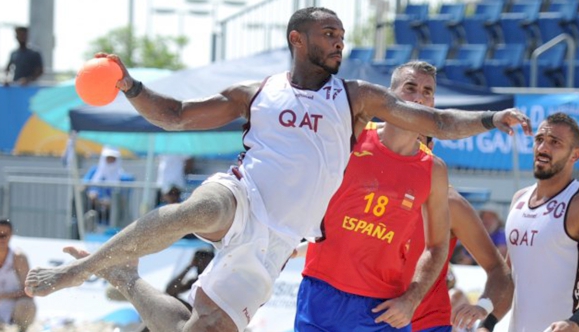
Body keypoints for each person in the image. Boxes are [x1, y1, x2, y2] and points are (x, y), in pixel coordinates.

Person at [24, 7, 531, 332]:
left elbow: (438, 121)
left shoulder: (357, 98)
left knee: (198, 328)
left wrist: (490, 118)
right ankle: (79, 270)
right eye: (328, 33)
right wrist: (130, 86)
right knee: (197, 208)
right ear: (297, 38)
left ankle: (125, 277)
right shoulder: (257, 91)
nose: (339, 42)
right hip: (243, 195)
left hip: (278, 238)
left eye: (342, 35)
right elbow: (175, 116)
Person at [294, 61, 449, 331]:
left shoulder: (434, 169)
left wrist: (412, 299)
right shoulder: (349, 139)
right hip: (322, 293)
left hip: (383, 308)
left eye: (427, 91)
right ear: (388, 95)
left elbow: (437, 247)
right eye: (410, 87)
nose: (419, 97)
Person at [494, 112, 579, 332]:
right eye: (539, 140)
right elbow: (510, 279)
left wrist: (577, 322)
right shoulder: (519, 200)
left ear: (575, 155)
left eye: (555, 142)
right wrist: (487, 321)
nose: (543, 148)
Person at [404, 135, 512, 332]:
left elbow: (499, 269)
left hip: (427, 325)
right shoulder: (367, 188)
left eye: (415, 139)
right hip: (368, 317)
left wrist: (483, 308)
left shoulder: (451, 203)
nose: (405, 144)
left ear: (430, 146)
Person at [82, 146, 135, 227]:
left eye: (113, 158)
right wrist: (91, 196)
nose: (110, 160)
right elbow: (82, 186)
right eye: (108, 158)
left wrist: (111, 202)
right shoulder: (94, 171)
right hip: (94, 206)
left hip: (112, 211)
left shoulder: (123, 177)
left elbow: (124, 198)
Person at [0, 219, 36, 332]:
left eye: (5, 235)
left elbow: (30, 291)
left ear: (11, 235)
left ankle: (21, 329)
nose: (2, 239)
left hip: (13, 306)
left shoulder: (18, 258)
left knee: (27, 305)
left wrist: (4, 295)